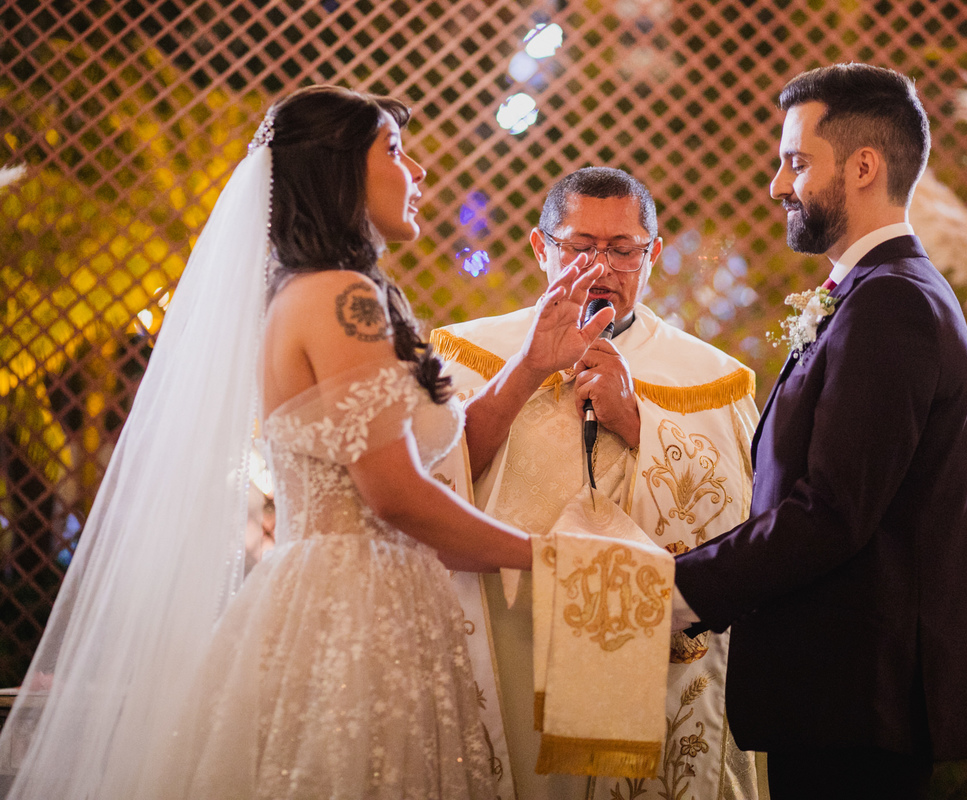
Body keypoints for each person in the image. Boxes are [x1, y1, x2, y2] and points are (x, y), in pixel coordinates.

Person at [0, 85, 615, 798]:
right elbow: (397, 496)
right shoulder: (337, 296)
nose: (418, 174)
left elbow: (436, 471)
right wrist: (555, 558)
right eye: (394, 151)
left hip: (373, 605)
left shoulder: (340, 291)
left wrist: (532, 363)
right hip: (355, 620)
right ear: (337, 170)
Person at [672, 64, 967, 799]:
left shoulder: (893, 306)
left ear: (864, 166)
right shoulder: (878, 295)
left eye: (797, 161)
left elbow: (833, 512)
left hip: (857, 702)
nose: (780, 184)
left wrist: (677, 593)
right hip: (842, 700)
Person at [431, 167, 761, 800]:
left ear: (653, 254)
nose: (601, 267)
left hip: (646, 650)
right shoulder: (467, 353)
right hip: (506, 640)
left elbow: (742, 519)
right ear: (540, 248)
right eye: (580, 248)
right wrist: (526, 371)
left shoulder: (713, 379)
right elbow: (434, 483)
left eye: (622, 250)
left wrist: (640, 422)